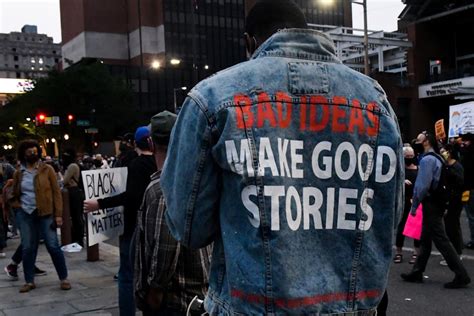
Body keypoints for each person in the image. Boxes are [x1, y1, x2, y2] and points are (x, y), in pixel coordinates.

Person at [161, 1, 404, 314]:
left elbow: (189, 228)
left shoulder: (212, 99)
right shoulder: (376, 102)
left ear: (250, 42)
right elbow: (388, 215)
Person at [134, 111, 212, 315]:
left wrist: (154, 293)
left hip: (174, 301)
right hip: (200, 295)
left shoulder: (162, 188)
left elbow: (166, 246)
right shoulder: (198, 180)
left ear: (151, 144)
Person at [84, 126, 157, 315]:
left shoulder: (135, 165)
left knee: (127, 274)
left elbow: (129, 197)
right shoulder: (161, 163)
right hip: (155, 225)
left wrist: (99, 203)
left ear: (134, 143)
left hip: (133, 226)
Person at [401, 132, 470, 288]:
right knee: (425, 240)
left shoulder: (427, 160)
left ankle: (461, 274)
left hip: (431, 204)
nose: (416, 142)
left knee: (441, 240)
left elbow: (422, 185)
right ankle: (417, 271)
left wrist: (414, 204)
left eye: (418, 140)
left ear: (426, 142)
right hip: (436, 203)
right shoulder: (437, 158)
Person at [10, 140, 71, 293]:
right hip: (25, 213)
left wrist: (58, 215)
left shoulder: (47, 169)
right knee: (28, 247)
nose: (33, 154)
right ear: (23, 154)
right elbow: (14, 192)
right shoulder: (19, 172)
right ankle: (29, 281)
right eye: (30, 152)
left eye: (35, 151)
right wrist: (17, 206)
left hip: (46, 213)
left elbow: (57, 192)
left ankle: (64, 278)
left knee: (53, 246)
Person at [394, 146, 420, 264]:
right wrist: (402, 181)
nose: (409, 158)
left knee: (416, 228)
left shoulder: (418, 169)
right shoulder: (400, 170)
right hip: (403, 201)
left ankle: (416, 253)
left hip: (414, 201)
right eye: (407, 157)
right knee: (401, 228)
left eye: (411, 156)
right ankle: (399, 252)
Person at [63, 149, 85, 247]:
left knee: (76, 216)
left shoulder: (72, 166)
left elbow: (65, 180)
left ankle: (78, 238)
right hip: (76, 192)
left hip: (73, 192)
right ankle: (76, 237)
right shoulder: (75, 165)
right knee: (76, 216)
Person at [459, 133, 474, 249]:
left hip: (469, 188)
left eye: (465, 141)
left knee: (471, 215)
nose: (462, 142)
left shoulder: (469, 153)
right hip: (470, 188)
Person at [0, 156, 16, 257]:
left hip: (2, 197)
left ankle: (2, 244)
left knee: (3, 219)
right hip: (2, 197)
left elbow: (16, 176)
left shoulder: (6, 167)